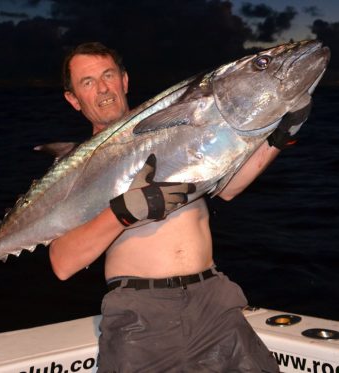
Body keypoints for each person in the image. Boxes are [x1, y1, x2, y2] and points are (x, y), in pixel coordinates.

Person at [50, 42, 310, 372]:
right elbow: (62, 262)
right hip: (141, 316)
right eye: (87, 82)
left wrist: (282, 134)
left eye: (108, 75)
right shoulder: (80, 173)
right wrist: (122, 212)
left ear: (125, 81)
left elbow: (228, 189)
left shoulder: (174, 130)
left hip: (215, 302)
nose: (102, 88)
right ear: (73, 99)